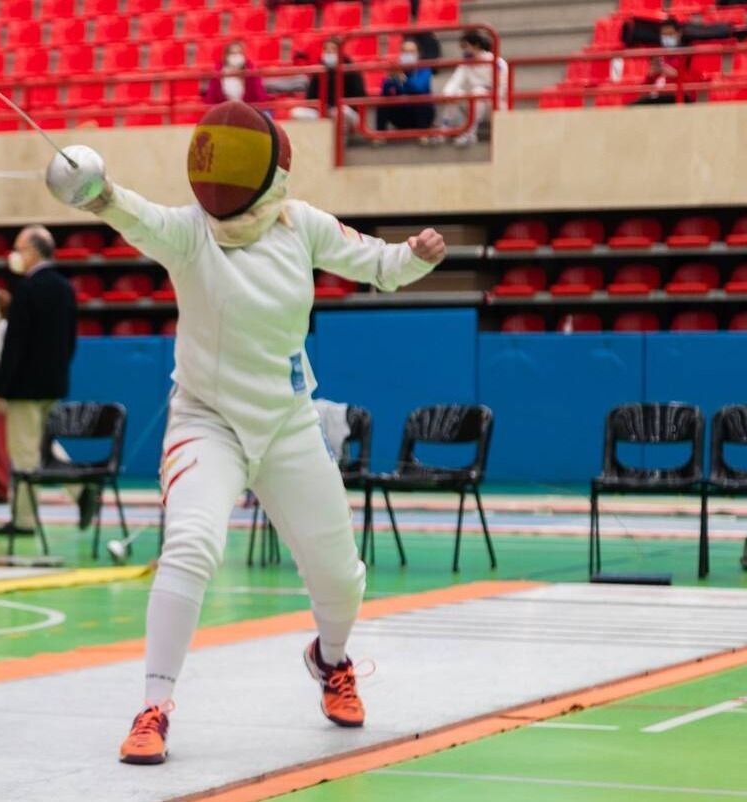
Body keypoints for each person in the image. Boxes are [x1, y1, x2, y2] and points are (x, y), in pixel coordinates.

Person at [44, 101, 446, 765]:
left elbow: (377, 264)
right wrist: (98, 191)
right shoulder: (186, 232)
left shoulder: (301, 225)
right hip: (206, 422)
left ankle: (331, 660)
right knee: (192, 545)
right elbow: (128, 213)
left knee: (340, 575)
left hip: (287, 421)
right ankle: (153, 706)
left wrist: (416, 255)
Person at [0, 226, 93, 536]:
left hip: (24, 388)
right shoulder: (64, 288)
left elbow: (14, 346)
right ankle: (82, 490)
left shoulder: (28, 289)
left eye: (19, 248)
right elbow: (71, 341)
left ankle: (23, 520)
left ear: (33, 251)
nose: (15, 255)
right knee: (47, 448)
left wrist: (1, 388)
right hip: (53, 384)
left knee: (24, 453)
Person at [431, 29, 507, 146]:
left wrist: (487, 95)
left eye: (465, 46)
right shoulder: (466, 63)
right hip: (475, 101)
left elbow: (502, 88)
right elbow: (455, 81)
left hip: (495, 103)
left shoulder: (497, 62)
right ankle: (444, 129)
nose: (464, 50)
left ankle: (470, 133)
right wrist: (448, 94)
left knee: (477, 92)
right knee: (455, 94)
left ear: (476, 45)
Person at [290, 38, 366, 129]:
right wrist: (323, 108)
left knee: (339, 112)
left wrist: (336, 106)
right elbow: (310, 98)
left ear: (340, 51)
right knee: (296, 113)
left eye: (333, 49)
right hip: (323, 111)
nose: (329, 52)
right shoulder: (319, 70)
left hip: (347, 112)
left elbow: (359, 96)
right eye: (326, 49)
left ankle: (342, 141)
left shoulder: (351, 69)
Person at [631, 20, 698, 105]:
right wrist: (650, 76)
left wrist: (676, 75)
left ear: (679, 34)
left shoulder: (688, 56)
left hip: (676, 98)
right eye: (664, 35)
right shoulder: (658, 57)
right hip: (657, 99)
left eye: (670, 34)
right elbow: (644, 90)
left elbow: (693, 90)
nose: (667, 38)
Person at [376, 38, 435, 133]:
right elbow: (384, 91)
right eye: (405, 51)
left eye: (412, 52)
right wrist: (390, 79)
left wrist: (403, 78)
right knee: (383, 99)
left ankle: (423, 134)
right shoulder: (395, 68)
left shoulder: (424, 68)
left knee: (420, 98)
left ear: (418, 54)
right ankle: (380, 134)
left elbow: (418, 88)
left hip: (422, 116)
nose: (408, 55)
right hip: (401, 115)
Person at [201, 41, 268, 106]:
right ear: (226, 56)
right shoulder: (218, 71)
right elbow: (211, 97)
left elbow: (259, 95)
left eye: (239, 53)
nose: (236, 56)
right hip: (225, 112)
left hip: (247, 111)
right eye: (232, 53)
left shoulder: (251, 70)